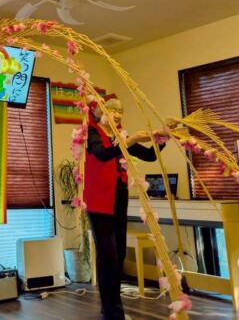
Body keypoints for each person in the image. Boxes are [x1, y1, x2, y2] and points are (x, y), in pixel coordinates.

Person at [84, 95, 166, 320]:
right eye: (112, 109)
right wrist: (130, 140)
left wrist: (162, 140)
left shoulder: (121, 135)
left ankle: (111, 309)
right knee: (108, 255)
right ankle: (113, 313)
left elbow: (149, 155)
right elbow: (102, 153)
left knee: (118, 254)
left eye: (120, 110)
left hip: (118, 199)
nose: (118, 114)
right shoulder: (91, 132)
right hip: (98, 201)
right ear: (99, 111)